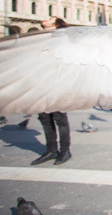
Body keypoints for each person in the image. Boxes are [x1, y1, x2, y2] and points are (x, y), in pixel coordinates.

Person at [31, 16, 72, 165]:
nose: (45, 19)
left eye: (50, 18)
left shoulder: (62, 40)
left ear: (56, 24)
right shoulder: (40, 38)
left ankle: (65, 150)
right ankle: (51, 150)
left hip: (57, 83)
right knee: (44, 118)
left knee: (59, 118)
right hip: (40, 83)